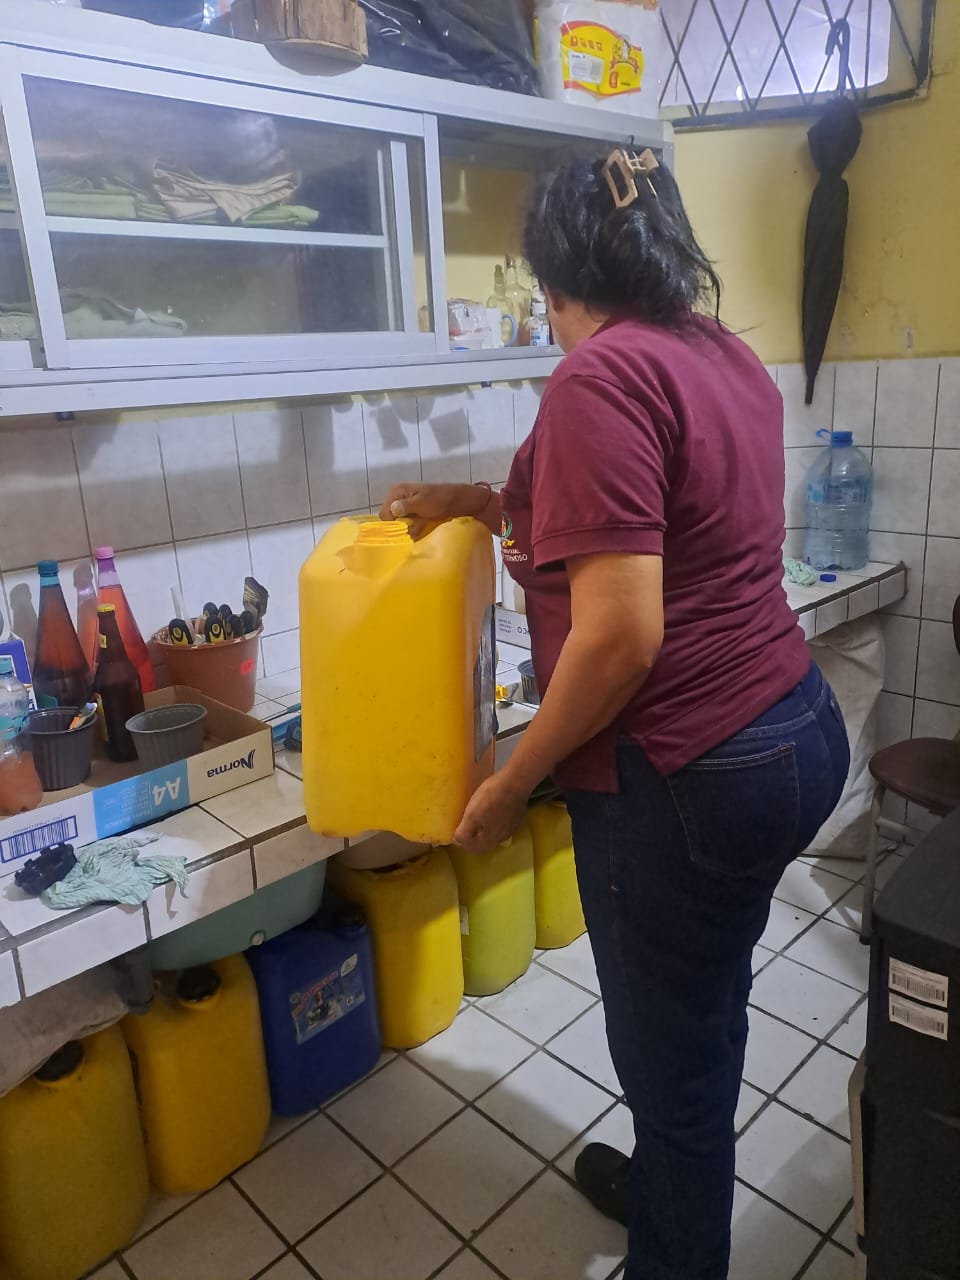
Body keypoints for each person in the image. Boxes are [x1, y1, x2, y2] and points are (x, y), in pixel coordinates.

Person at [380, 147, 850, 1280]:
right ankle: (675, 1178)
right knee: (707, 994)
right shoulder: (719, 353)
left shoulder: (596, 378)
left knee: (665, 1047)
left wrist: (514, 780)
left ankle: (676, 1239)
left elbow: (621, 635)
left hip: (687, 770)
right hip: (794, 728)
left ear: (553, 275)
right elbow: (643, 516)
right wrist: (479, 502)